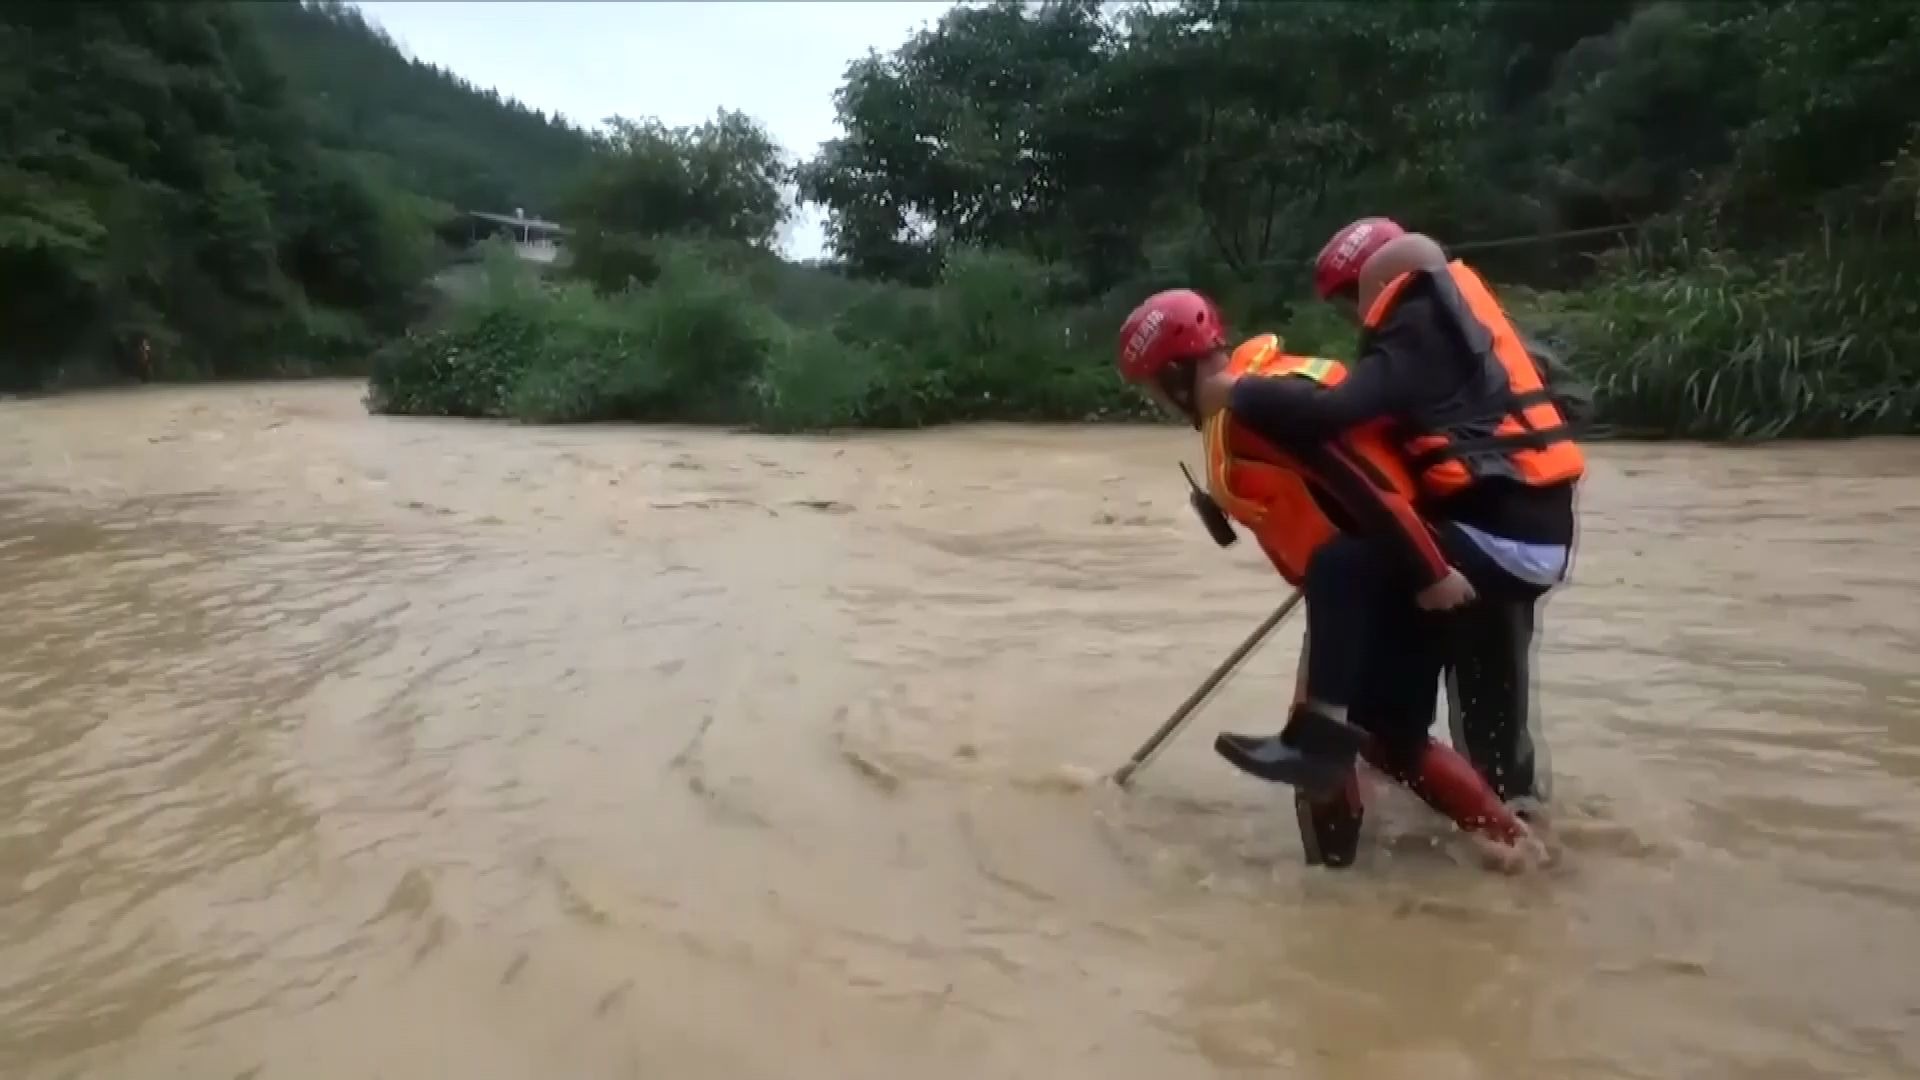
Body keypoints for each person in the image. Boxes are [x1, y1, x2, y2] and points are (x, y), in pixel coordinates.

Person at [1115, 288, 1535, 869]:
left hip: (1390, 566)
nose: (1157, 402)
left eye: (1154, 388)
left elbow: (1361, 483)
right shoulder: (1266, 379)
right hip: (1378, 567)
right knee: (1392, 740)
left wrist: (1427, 570)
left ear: (1177, 374)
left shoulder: (1250, 409)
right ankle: (1517, 847)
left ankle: (1332, 880)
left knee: (1320, 738)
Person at [1203, 218, 1586, 825]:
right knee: (1428, 719)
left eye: (1349, 296)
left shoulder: (1418, 323)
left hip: (1499, 540)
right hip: (1510, 530)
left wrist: (1235, 393)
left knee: (1346, 573)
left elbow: (1334, 413)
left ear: (1376, 281)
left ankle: (1332, 750)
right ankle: (1515, 840)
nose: (1355, 317)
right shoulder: (1467, 320)